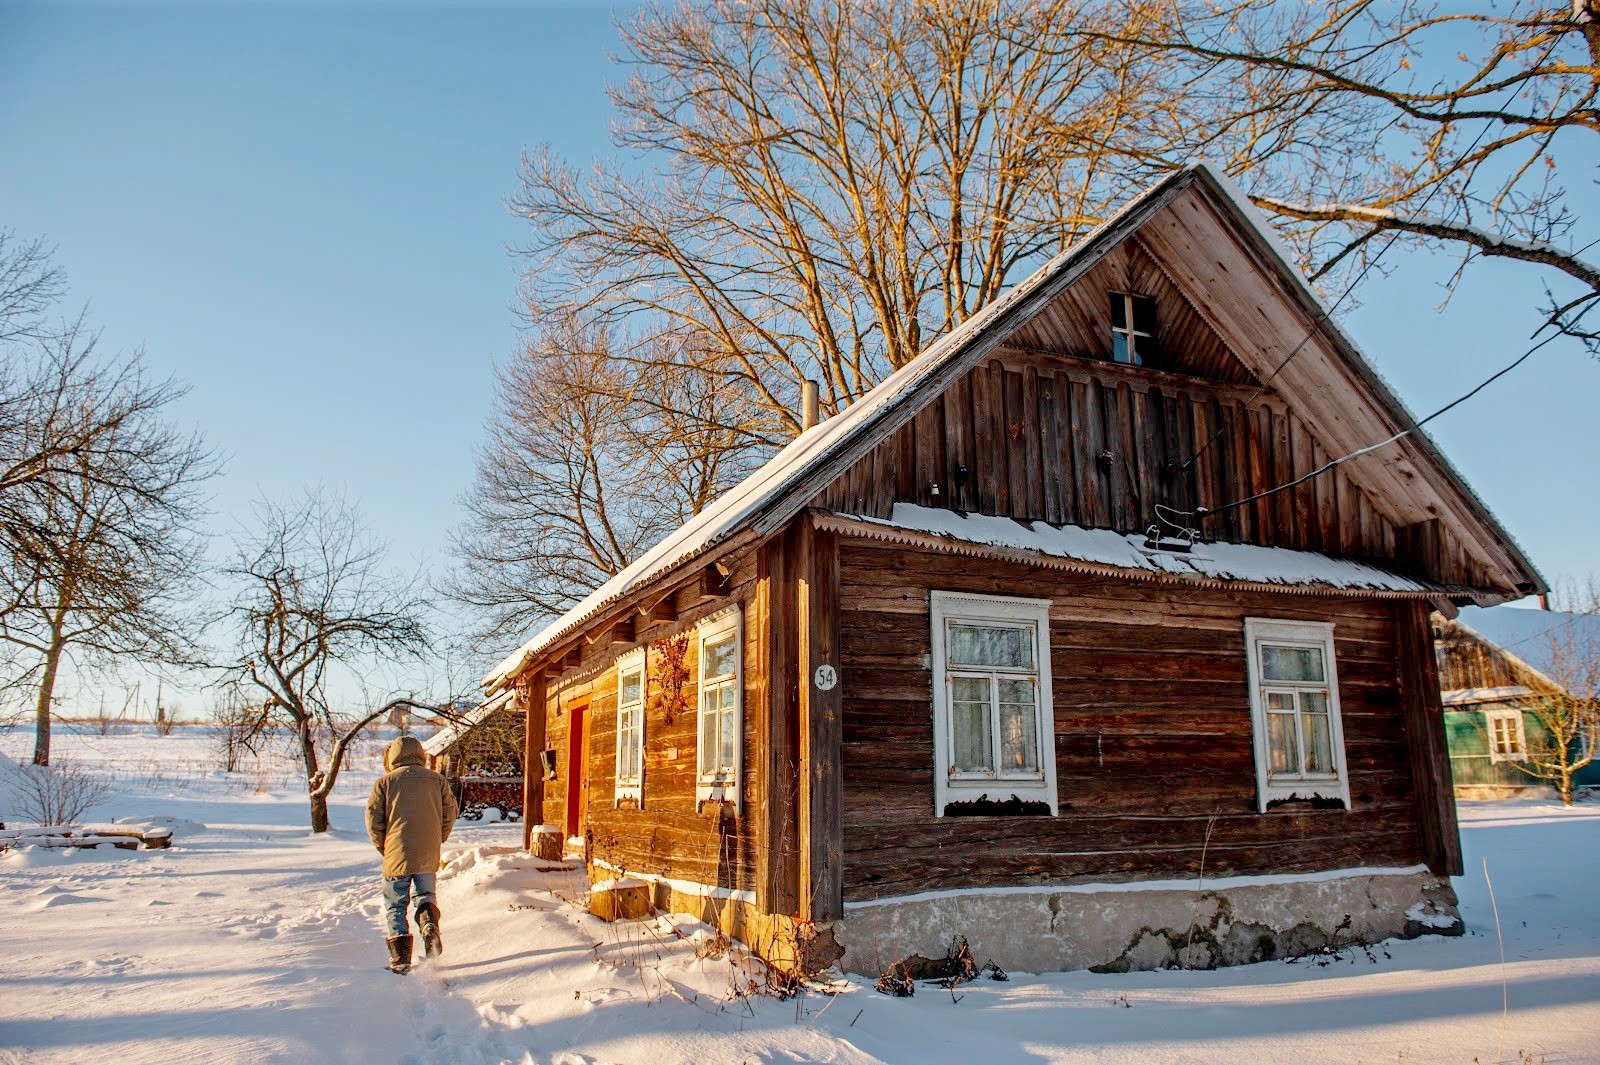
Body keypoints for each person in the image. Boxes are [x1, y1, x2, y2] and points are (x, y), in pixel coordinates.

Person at [366, 734, 458, 974]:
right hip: (427, 851)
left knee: (396, 904)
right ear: (420, 754)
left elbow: (374, 822)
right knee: (425, 895)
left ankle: (400, 959)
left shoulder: (384, 783)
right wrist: (437, 839)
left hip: (396, 852)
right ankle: (429, 926)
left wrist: (385, 848)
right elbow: (450, 813)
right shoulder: (437, 781)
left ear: (393, 756)